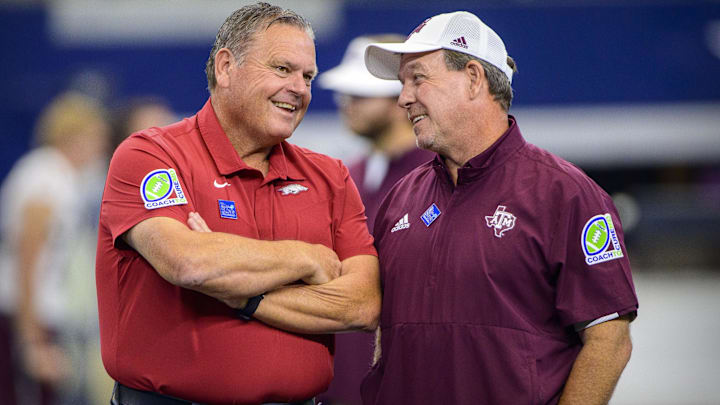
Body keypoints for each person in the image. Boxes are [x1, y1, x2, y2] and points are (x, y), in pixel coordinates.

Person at [95, 3, 380, 405]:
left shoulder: (330, 176)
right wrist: (307, 258)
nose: (299, 88)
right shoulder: (150, 154)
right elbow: (188, 262)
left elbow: (363, 305)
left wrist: (242, 295)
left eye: (308, 76)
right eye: (282, 69)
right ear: (226, 67)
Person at [361, 11, 638, 405]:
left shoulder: (565, 194)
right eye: (403, 83)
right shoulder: (400, 199)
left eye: (418, 78)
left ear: (474, 78)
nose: (404, 97)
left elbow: (609, 339)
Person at [315, 34, 432, 405]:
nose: (347, 104)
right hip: (341, 385)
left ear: (401, 99)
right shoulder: (345, 175)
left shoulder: (436, 176)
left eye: (361, 95)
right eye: (346, 94)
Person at [0, 91, 110, 405]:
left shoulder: (63, 178)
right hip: (22, 316)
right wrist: (31, 341)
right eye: (96, 137)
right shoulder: (43, 178)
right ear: (73, 136)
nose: (100, 148)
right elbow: (27, 260)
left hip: (38, 314)